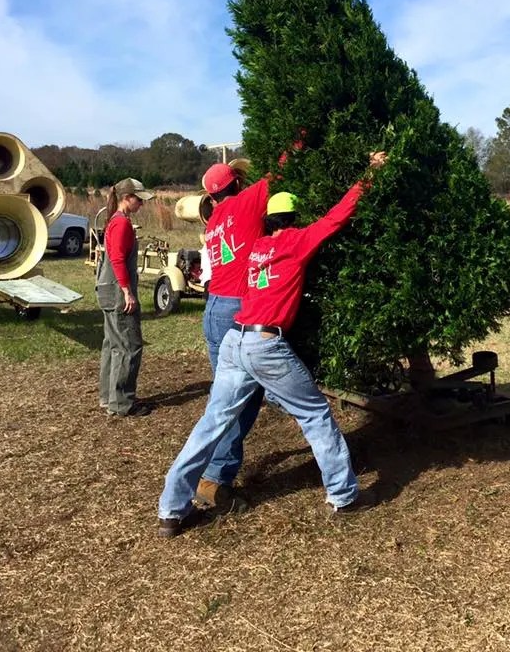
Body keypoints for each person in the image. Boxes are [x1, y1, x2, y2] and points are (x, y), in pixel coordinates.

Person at [157, 151, 387, 537]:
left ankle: (171, 508)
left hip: (234, 338)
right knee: (315, 415)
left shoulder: (251, 248)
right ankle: (344, 496)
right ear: (293, 219)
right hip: (265, 343)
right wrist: (368, 175)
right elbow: (335, 217)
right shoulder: (296, 242)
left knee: (212, 422)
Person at [193, 161, 274, 509]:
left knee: (224, 396)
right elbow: (280, 170)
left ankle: (209, 470)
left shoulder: (213, 222)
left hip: (213, 309)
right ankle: (214, 479)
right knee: (239, 399)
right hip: (236, 310)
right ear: (237, 183)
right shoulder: (247, 202)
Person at [96, 177, 155, 418]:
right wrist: (127, 291)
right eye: (138, 199)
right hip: (118, 292)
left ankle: (108, 396)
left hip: (106, 289)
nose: (141, 203)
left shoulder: (114, 221)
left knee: (112, 344)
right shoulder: (121, 224)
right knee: (129, 346)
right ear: (125, 198)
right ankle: (121, 403)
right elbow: (118, 259)